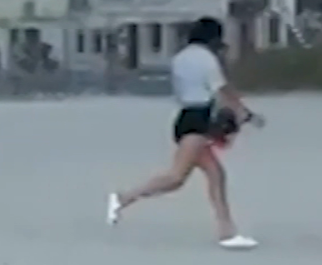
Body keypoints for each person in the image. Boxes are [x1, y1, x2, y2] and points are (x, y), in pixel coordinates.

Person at [106, 17, 262, 250]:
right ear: (213, 38)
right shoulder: (207, 59)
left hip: (185, 117)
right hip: (198, 121)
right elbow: (221, 89)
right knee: (175, 178)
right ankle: (122, 198)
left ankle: (227, 232)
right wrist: (245, 113)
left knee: (215, 175)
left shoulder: (180, 58)